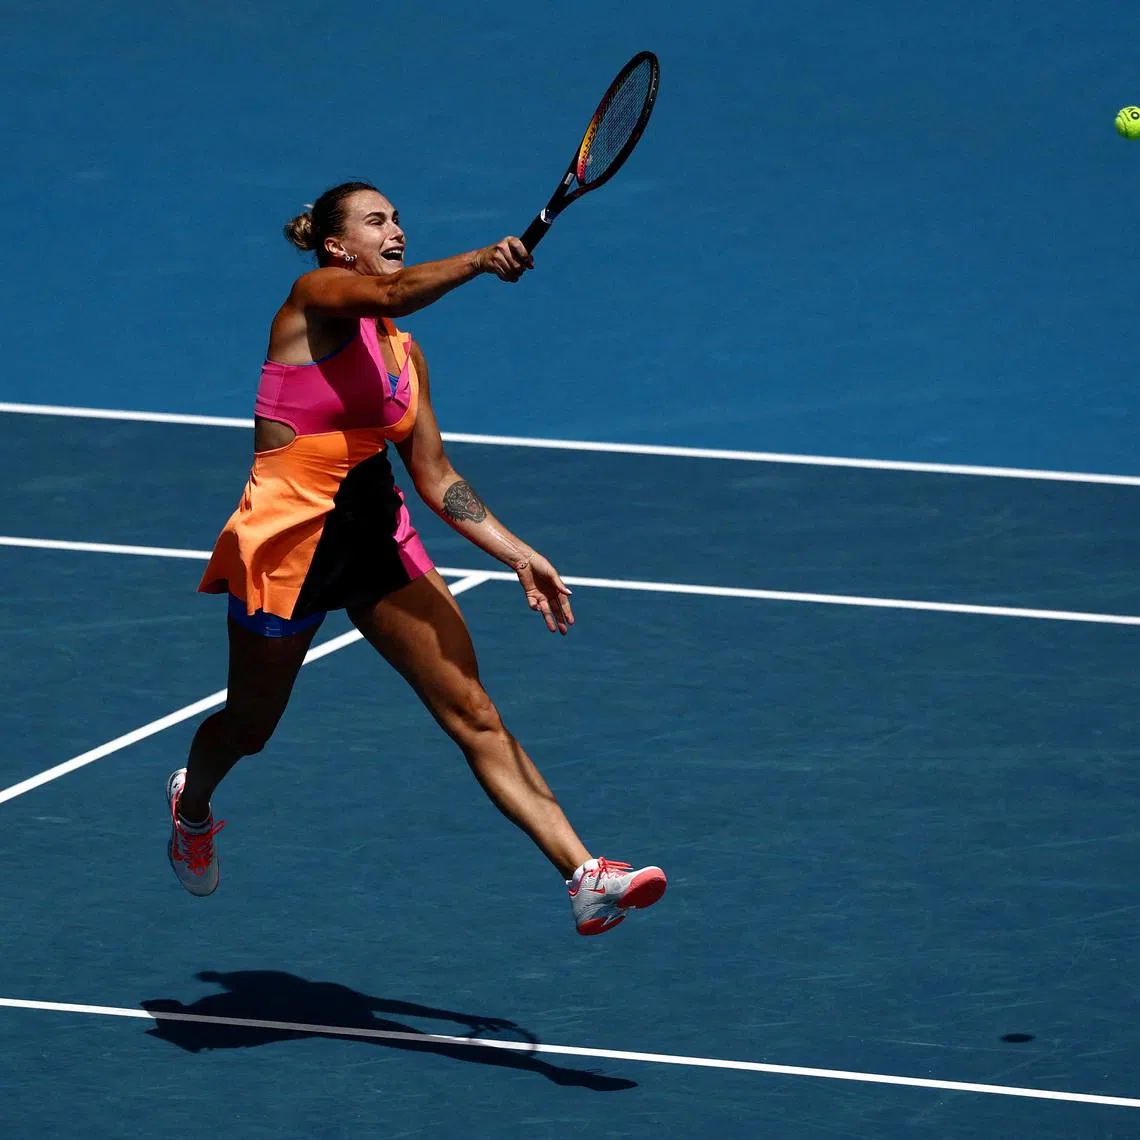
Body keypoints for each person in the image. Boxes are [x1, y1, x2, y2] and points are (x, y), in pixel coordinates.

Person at [170, 180, 666, 936]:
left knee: (474, 711)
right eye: (376, 221)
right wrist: (480, 259)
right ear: (337, 246)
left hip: (376, 541)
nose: (395, 229)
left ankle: (585, 875)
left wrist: (518, 554)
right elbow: (396, 291)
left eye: (398, 218)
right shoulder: (313, 298)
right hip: (288, 546)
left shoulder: (404, 355)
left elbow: (435, 476)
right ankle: (192, 807)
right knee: (249, 728)